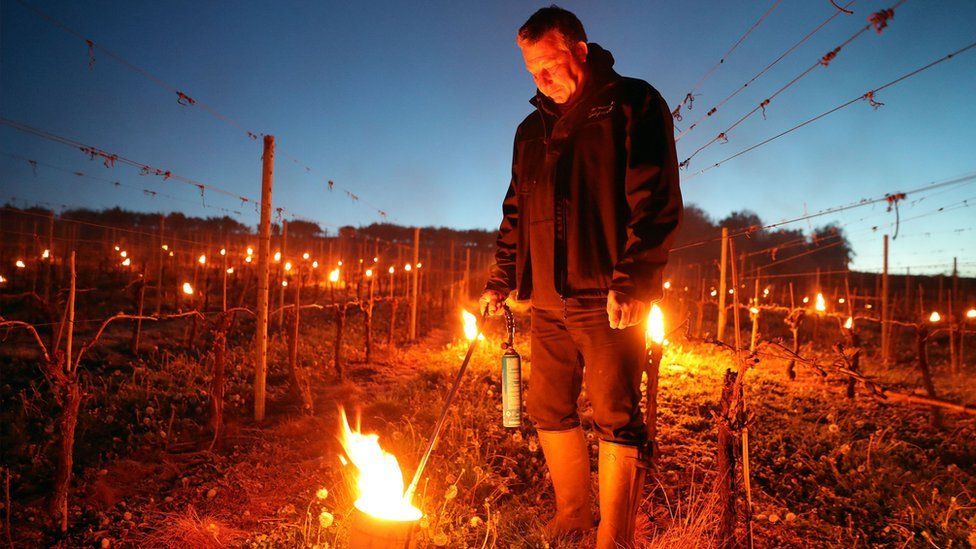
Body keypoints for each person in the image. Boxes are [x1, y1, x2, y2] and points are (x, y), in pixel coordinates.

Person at [480, 5, 682, 547]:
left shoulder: (632, 104)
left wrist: (636, 277)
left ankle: (613, 535)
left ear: (581, 52)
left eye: (549, 64)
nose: (541, 79)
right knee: (548, 407)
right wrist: (502, 278)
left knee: (616, 413)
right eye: (531, 71)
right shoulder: (529, 129)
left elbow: (655, 196)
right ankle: (573, 515)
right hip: (545, 299)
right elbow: (515, 210)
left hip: (608, 298)